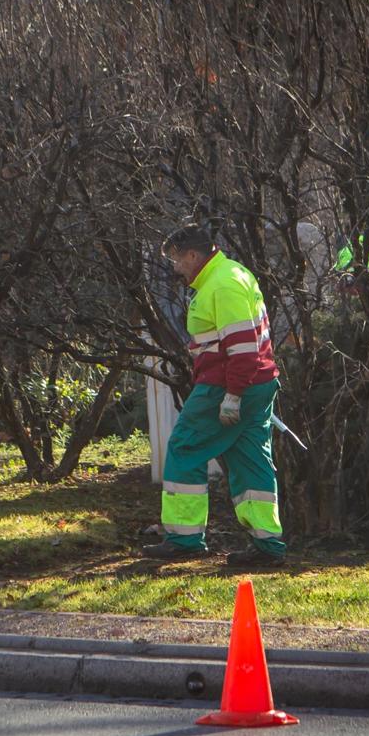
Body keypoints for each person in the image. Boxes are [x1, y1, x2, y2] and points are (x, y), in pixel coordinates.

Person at [142, 224, 286, 567]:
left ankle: (184, 539)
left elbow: (244, 350)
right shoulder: (229, 276)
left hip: (226, 385)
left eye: (177, 259)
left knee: (184, 448)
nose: (176, 267)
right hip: (252, 383)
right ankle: (268, 546)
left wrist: (233, 395)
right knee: (249, 460)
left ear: (193, 255)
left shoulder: (222, 285)